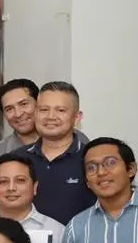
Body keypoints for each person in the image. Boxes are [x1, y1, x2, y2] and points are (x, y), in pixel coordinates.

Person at [13, 82, 93, 225]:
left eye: (61, 110)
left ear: (77, 117)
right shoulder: (16, 159)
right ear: (36, 113)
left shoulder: (91, 159)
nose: (50, 116)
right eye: (43, 109)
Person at [0, 79, 40, 210]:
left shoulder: (71, 140)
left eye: (23, 104)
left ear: (39, 103)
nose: (18, 114)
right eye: (9, 109)